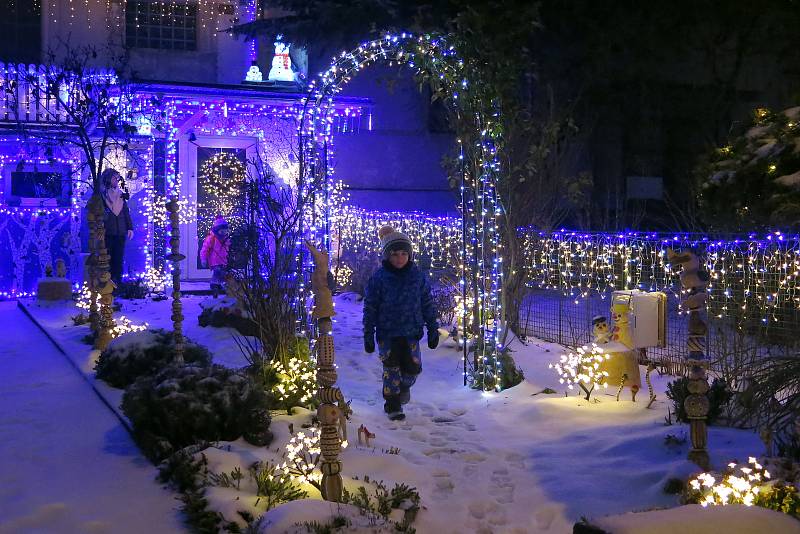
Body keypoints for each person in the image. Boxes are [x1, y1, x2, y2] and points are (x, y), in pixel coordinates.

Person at [363, 225, 439, 421]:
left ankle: (403, 387)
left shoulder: (417, 277)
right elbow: (370, 307)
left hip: (411, 331)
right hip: (387, 334)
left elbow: (426, 302)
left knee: (413, 369)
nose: (400, 258)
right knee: (391, 369)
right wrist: (368, 334)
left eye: (404, 253)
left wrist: (432, 328)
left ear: (410, 255)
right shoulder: (378, 279)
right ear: (387, 255)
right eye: (395, 253)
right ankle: (393, 405)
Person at [100, 168, 133, 286]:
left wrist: (130, 228)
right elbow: (100, 213)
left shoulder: (120, 195)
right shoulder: (103, 196)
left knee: (118, 259)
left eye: (117, 178)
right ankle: (107, 285)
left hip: (121, 232)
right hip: (108, 232)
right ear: (109, 179)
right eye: (114, 178)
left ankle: (117, 283)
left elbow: (125, 212)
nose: (117, 180)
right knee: (107, 259)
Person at [200, 215, 231, 296]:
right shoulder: (211, 238)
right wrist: (203, 259)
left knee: (223, 273)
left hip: (224, 260)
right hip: (214, 260)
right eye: (222, 230)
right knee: (217, 272)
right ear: (217, 229)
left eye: (225, 230)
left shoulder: (226, 238)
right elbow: (204, 249)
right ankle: (214, 284)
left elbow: (228, 248)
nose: (224, 232)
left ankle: (218, 284)